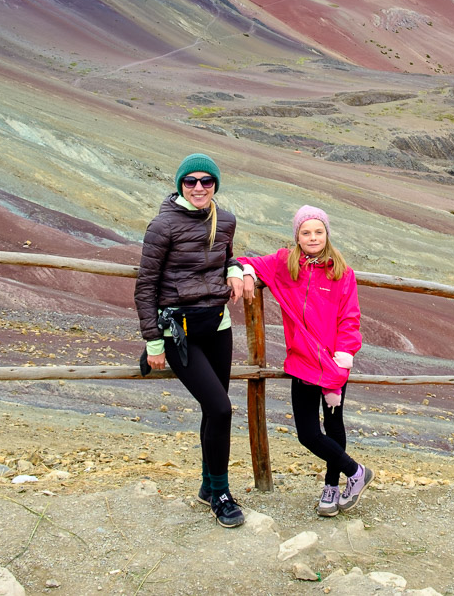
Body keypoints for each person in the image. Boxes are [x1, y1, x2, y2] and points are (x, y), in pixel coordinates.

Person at [237, 205, 371, 518]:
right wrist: (245, 273)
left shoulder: (342, 273)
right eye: (306, 232)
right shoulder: (285, 263)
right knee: (308, 433)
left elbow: (349, 318)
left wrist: (345, 355)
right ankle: (357, 472)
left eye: (318, 231)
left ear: (327, 233)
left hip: (334, 363)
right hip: (302, 361)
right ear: (297, 235)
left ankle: (332, 487)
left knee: (334, 424)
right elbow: (246, 260)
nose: (313, 237)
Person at [135, 152, 246, 528]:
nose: (199, 187)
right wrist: (153, 343)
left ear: (215, 185)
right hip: (177, 333)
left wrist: (236, 269)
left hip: (217, 325)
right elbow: (146, 286)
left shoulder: (225, 220)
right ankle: (222, 494)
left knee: (214, 411)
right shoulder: (162, 226)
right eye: (190, 181)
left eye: (206, 181)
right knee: (221, 409)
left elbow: (225, 256)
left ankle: (208, 486)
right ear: (179, 184)